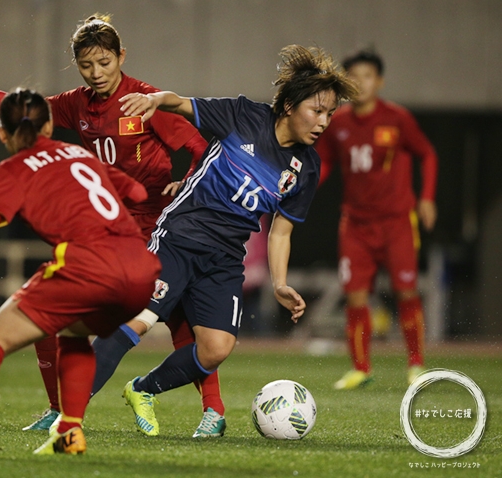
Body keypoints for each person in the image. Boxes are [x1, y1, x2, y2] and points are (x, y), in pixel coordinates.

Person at [0, 13, 227, 438]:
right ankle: (56, 408)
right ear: (77, 64)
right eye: (87, 65)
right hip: (106, 228)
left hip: (158, 227)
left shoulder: (145, 99)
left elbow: (199, 147)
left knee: (178, 319)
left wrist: (185, 181)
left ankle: (213, 410)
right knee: (48, 310)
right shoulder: (75, 104)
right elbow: (18, 109)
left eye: (104, 62)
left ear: (121, 56)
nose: (97, 73)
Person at [0, 89, 161, 455]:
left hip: (88, 266)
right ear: (49, 125)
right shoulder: (80, 153)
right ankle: (69, 431)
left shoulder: (12, 169)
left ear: (1, 133)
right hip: (141, 271)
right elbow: (137, 192)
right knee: (73, 332)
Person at [116, 45, 358, 435]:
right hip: (179, 239)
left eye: (330, 113)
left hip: (225, 259)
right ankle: (68, 410)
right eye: (317, 110)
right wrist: (155, 99)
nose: (324, 121)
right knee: (135, 323)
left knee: (215, 349)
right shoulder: (245, 116)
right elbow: (180, 104)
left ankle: (143, 389)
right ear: (290, 105)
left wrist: (280, 283)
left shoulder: (307, 167)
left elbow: (282, 229)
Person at [315, 49, 438, 389]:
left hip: (397, 221)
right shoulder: (337, 123)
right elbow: (323, 163)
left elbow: (426, 154)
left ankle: (416, 364)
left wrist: (426, 197)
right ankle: (361, 367)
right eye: (353, 76)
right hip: (355, 224)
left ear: (379, 81)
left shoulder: (397, 118)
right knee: (354, 295)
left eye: (367, 76)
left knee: (406, 291)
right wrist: (304, 188)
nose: (360, 83)